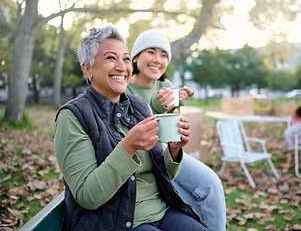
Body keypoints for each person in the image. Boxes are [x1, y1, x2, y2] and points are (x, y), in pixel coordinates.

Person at [54, 25, 207, 231]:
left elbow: (166, 176)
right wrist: (128, 147)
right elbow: (87, 196)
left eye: (125, 59)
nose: (121, 66)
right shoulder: (72, 116)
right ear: (87, 69)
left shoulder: (138, 106)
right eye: (110, 58)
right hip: (117, 222)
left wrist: (174, 149)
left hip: (163, 212)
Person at [126, 29, 226, 231]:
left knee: (211, 184)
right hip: (140, 160)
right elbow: (152, 105)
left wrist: (180, 98)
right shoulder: (124, 88)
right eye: (151, 52)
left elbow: (170, 119)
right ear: (135, 57)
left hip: (168, 154)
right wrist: (161, 104)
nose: (158, 60)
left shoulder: (167, 86)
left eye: (164, 55)